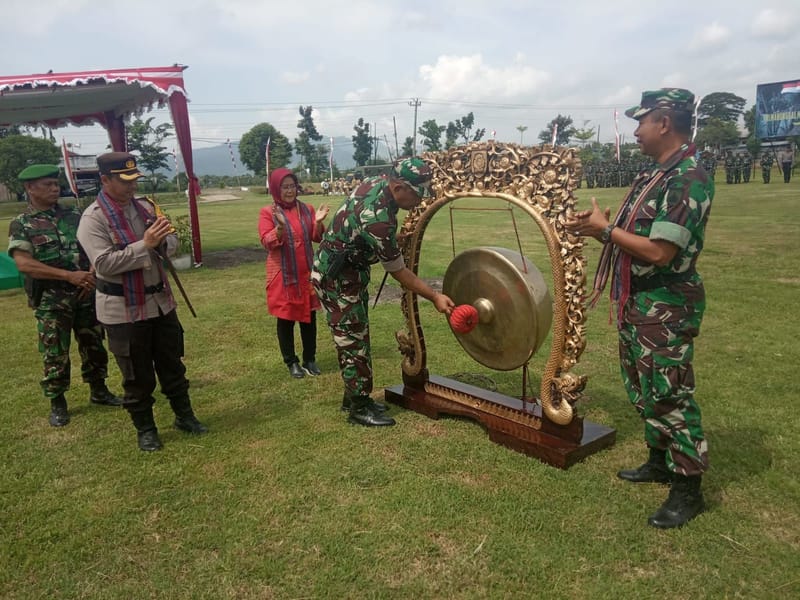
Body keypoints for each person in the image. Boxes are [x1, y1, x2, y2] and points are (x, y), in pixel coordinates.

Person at [566, 88, 713, 529]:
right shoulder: (656, 173)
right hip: (640, 301)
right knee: (643, 385)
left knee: (668, 391)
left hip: (665, 304)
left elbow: (659, 252)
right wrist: (601, 233)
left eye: (642, 121)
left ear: (664, 122)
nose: (636, 131)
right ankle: (659, 460)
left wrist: (606, 230)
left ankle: (688, 488)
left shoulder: (687, 177)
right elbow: (632, 241)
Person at [77, 152, 207, 451]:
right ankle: (146, 429)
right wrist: (145, 245)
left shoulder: (146, 208)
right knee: (137, 374)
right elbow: (104, 264)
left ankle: (184, 416)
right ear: (105, 180)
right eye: (124, 181)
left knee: (172, 364)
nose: (131, 186)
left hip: (160, 302)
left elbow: (172, 241)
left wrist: (161, 242)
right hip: (122, 310)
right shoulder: (93, 218)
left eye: (134, 179)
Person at [311, 158, 455, 427]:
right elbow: (399, 271)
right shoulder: (379, 218)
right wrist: (435, 296)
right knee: (353, 340)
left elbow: (364, 230)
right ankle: (359, 407)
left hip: (347, 274)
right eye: (416, 195)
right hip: (337, 280)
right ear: (399, 187)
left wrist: (390, 240)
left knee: (356, 335)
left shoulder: (375, 184)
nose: (418, 202)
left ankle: (353, 395)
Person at [8, 164, 122, 427]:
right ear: (29, 188)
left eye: (55, 183)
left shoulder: (75, 217)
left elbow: (96, 247)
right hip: (51, 299)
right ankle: (57, 401)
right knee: (55, 351)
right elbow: (25, 264)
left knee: (93, 343)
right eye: (46, 184)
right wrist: (69, 276)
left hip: (85, 293)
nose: (54, 188)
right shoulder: (22, 224)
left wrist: (91, 273)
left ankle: (99, 390)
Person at [258, 168, 329, 379]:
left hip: (306, 272)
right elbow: (267, 242)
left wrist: (317, 221)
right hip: (283, 275)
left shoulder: (306, 209)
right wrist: (279, 228)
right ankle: (291, 361)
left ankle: (310, 358)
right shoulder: (268, 212)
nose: (289, 191)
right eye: (284, 187)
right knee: (286, 318)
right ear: (276, 189)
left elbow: (316, 237)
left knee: (309, 317)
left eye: (292, 186)